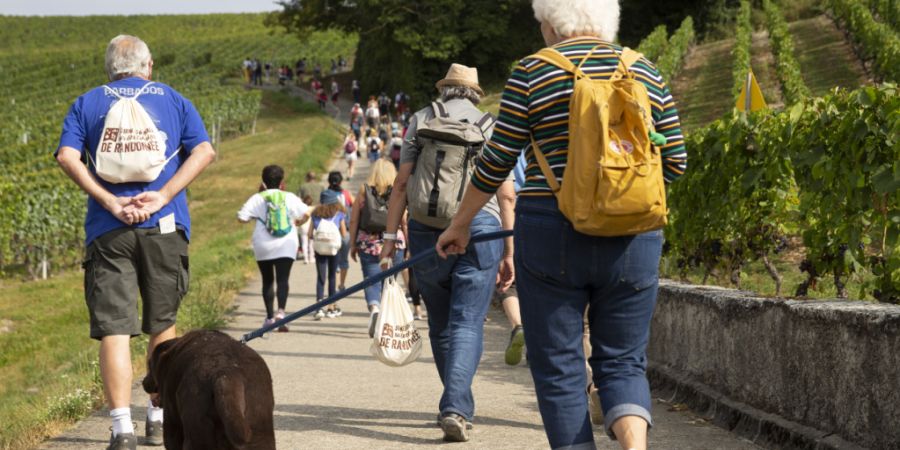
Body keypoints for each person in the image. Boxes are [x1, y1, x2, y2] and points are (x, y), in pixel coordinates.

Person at [434, 2, 688, 449]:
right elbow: (677, 162)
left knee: (559, 365)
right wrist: (622, 198)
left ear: (552, 22)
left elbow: (497, 161)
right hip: (635, 236)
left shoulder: (532, 71)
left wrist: (460, 224)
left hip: (552, 229)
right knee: (624, 362)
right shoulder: (645, 69)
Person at [55, 35, 216, 450]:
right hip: (163, 225)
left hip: (108, 231)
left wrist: (110, 200)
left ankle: (120, 426)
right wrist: (162, 196)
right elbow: (204, 152)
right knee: (163, 323)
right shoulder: (174, 99)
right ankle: (158, 417)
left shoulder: (87, 102)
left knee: (115, 328)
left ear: (109, 68)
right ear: (149, 65)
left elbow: (67, 157)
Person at [380, 63, 515, 443]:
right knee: (468, 321)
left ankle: (455, 403)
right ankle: (456, 406)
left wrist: (390, 239)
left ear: (445, 90)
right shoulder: (490, 125)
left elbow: (402, 183)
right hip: (482, 228)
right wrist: (510, 250)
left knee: (440, 322)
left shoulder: (421, 120)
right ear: (475, 92)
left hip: (426, 230)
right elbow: (505, 192)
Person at [237, 165, 310, 332]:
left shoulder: (257, 198)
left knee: (267, 280)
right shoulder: (289, 197)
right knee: (283, 279)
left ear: (263, 181)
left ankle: (269, 318)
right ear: (281, 181)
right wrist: (299, 222)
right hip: (287, 243)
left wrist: (256, 217)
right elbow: (306, 213)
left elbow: (242, 217)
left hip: (263, 244)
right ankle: (281, 315)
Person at [347, 159, 407, 336]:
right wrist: (408, 244)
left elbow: (354, 219)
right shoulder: (398, 191)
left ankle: (374, 309)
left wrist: (352, 244)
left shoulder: (363, 190)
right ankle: (385, 319)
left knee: (371, 279)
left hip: (368, 242)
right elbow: (404, 220)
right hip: (395, 241)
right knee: (389, 282)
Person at [309, 190, 347, 319]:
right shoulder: (339, 214)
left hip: (320, 249)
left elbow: (309, 234)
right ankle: (331, 306)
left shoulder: (315, 215)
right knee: (332, 276)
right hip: (334, 249)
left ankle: (319, 307)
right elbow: (343, 234)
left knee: (321, 277)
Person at [298, 172, 325, 264]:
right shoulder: (320, 186)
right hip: (317, 210)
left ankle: (305, 254)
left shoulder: (303, 186)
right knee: (315, 234)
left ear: (307, 177)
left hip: (305, 210)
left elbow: (299, 199)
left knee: (304, 237)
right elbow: (323, 200)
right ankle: (315, 253)